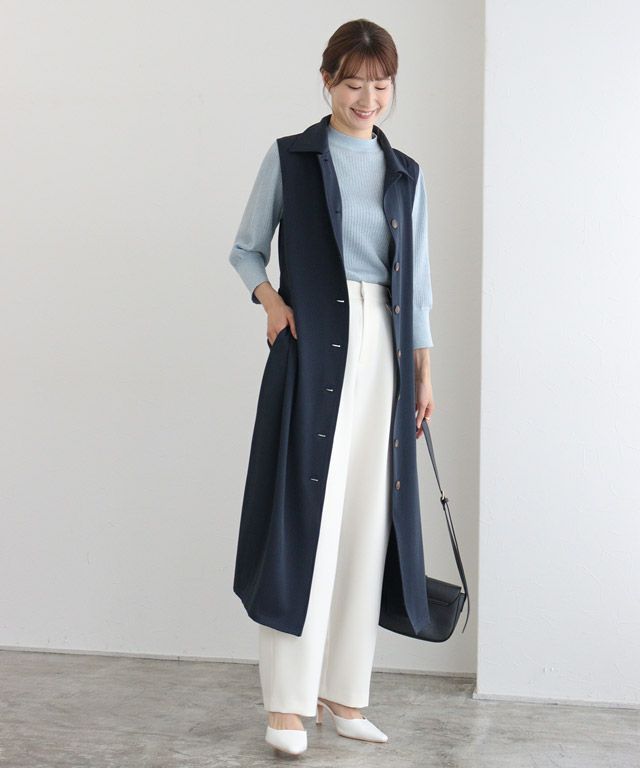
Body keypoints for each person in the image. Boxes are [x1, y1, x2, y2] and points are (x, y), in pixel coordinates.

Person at [228, 18, 434, 756]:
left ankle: (346, 695)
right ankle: (287, 705)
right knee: (302, 515)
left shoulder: (405, 172)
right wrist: (271, 303)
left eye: (380, 85)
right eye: (353, 84)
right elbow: (246, 248)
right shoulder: (292, 157)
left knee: (367, 520)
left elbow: (419, 282)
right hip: (313, 346)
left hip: (385, 348)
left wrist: (423, 368)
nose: (367, 98)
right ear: (327, 82)